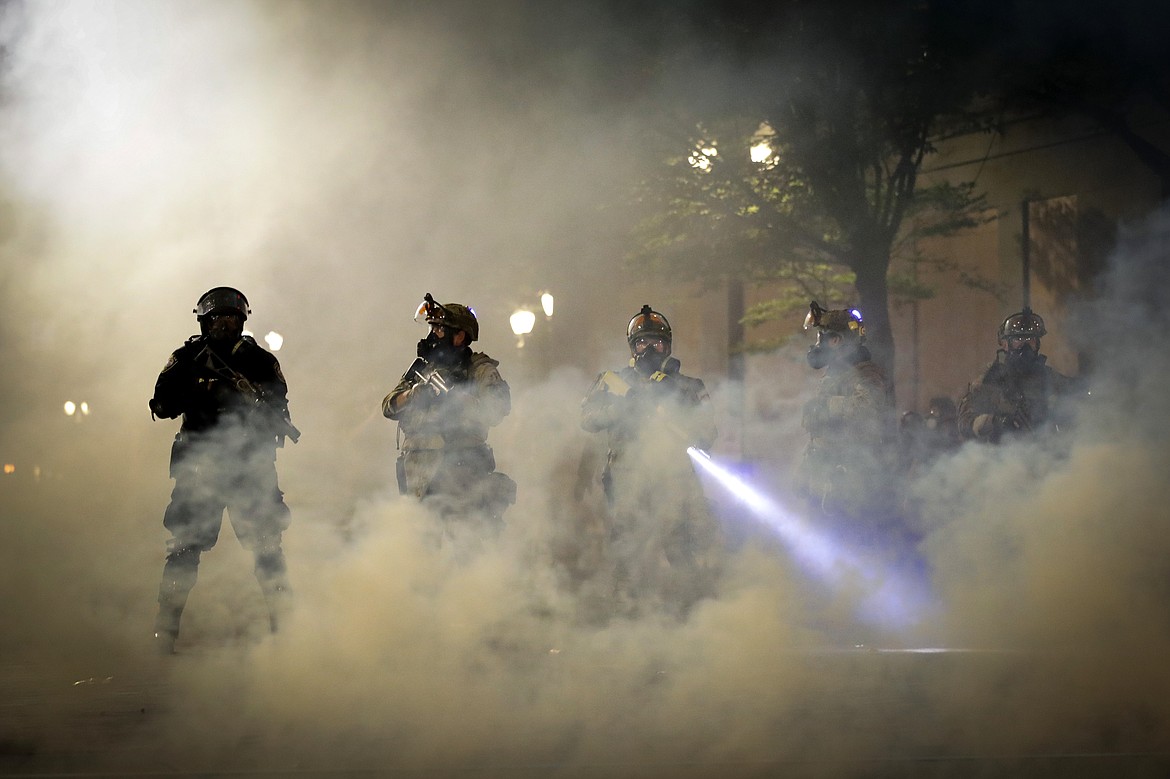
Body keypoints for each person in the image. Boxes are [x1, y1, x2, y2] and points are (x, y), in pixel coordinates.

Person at [148, 287, 299, 654]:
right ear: (205, 322)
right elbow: (162, 404)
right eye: (218, 318)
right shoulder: (186, 359)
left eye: (233, 318)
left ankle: (288, 631)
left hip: (250, 466)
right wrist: (203, 391)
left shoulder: (261, 361)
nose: (226, 324)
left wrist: (251, 404)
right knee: (183, 551)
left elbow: (278, 405)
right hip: (201, 465)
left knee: (267, 547)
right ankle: (165, 633)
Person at [580, 304, 720, 618]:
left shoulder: (688, 387)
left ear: (668, 345)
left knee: (683, 552)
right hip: (626, 483)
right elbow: (587, 418)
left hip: (675, 484)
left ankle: (695, 619)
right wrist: (621, 408)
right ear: (632, 347)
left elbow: (707, 434)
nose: (649, 348)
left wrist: (673, 412)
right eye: (642, 342)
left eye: (656, 342)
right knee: (627, 552)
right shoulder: (612, 382)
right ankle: (627, 618)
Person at [382, 293, 514, 529]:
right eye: (433, 329)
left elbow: (497, 410)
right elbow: (388, 406)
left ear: (459, 336)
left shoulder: (479, 370)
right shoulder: (423, 368)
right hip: (418, 477)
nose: (434, 336)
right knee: (420, 546)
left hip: (461, 474)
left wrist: (457, 398)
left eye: (440, 330)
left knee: (463, 543)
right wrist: (413, 395)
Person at [797, 301, 896, 530]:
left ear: (836, 341)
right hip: (828, 481)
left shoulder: (866, 375)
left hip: (852, 483)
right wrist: (805, 471)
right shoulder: (836, 375)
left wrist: (830, 406)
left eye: (821, 337)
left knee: (848, 544)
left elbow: (866, 409)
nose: (817, 345)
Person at [958, 308, 1076, 443]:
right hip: (1001, 457)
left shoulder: (1049, 377)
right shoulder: (990, 378)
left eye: (1030, 339)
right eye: (1018, 339)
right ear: (1005, 344)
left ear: (1037, 343)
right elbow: (965, 423)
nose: (1025, 344)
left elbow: (1078, 400)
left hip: (1044, 454)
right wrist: (994, 420)